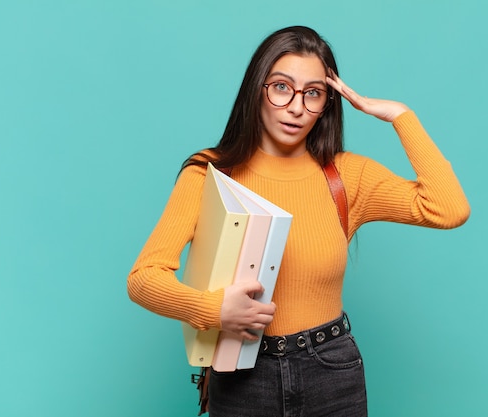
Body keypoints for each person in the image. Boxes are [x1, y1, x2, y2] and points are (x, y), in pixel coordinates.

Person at [128, 25, 470, 416]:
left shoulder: (346, 176)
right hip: (242, 374)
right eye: (281, 87)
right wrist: (215, 310)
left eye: (313, 93)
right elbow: (143, 278)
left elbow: (448, 208)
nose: (296, 107)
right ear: (257, 90)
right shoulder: (209, 173)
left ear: (327, 103)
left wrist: (400, 116)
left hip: (332, 370)